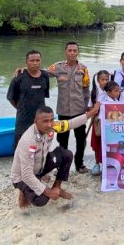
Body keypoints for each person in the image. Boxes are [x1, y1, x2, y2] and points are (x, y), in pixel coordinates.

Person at [10, 106, 92, 208]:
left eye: (52, 120)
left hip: (40, 166)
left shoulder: (52, 126)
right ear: (35, 121)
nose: (49, 124)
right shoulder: (29, 141)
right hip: (22, 177)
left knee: (66, 155)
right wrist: (48, 192)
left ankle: (57, 187)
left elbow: (71, 123)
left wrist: (92, 113)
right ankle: (23, 191)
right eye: (45, 121)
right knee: (41, 200)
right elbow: (26, 175)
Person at [47, 42, 92, 173]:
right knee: (62, 140)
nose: (72, 53)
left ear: (78, 52)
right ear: (65, 52)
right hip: (63, 110)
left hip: (79, 110)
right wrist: (24, 69)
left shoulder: (83, 69)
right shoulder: (57, 67)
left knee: (81, 140)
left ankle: (79, 164)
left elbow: (86, 89)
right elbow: (42, 73)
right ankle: (62, 166)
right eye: (70, 50)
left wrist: (87, 107)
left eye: (74, 50)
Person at [6, 50, 50, 149]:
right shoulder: (18, 78)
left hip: (40, 120)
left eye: (37, 60)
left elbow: (43, 95)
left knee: (40, 148)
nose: (35, 63)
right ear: (26, 62)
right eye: (32, 60)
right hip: (23, 121)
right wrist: (21, 108)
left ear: (40, 61)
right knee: (20, 149)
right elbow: (11, 98)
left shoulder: (45, 76)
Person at [88, 79, 119, 176]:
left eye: (118, 91)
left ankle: (108, 167)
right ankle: (102, 167)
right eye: (116, 91)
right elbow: (102, 117)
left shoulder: (117, 101)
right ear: (109, 92)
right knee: (103, 148)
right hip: (106, 129)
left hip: (113, 129)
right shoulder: (104, 103)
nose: (118, 93)